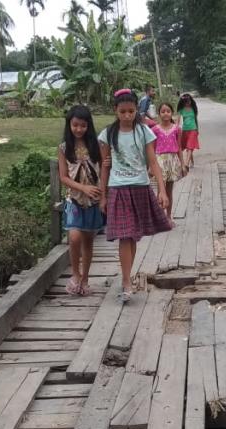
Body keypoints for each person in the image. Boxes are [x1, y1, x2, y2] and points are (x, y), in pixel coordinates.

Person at [99, 89, 171, 302]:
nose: (127, 115)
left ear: (136, 110)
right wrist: (103, 195)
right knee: (125, 234)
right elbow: (104, 166)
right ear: (115, 110)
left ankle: (127, 275)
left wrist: (162, 190)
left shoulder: (143, 131)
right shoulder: (108, 134)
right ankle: (126, 281)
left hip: (140, 186)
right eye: (122, 112)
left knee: (132, 235)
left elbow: (153, 161)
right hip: (118, 188)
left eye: (131, 111)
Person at [57, 105, 105, 296]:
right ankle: (75, 274)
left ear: (88, 126)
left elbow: (104, 168)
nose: (79, 129)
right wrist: (83, 187)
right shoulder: (64, 148)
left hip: (93, 200)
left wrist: (104, 193)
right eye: (75, 125)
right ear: (69, 125)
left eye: (83, 125)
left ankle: (85, 278)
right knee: (74, 237)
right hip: (74, 199)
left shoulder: (97, 146)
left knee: (88, 240)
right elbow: (63, 177)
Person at [151, 102, 186, 224]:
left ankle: (168, 217)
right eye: (163, 111)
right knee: (160, 191)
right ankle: (159, 217)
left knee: (169, 190)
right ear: (159, 114)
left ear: (172, 113)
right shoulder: (155, 130)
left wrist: (183, 164)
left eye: (168, 111)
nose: (165, 114)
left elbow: (179, 147)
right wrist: (150, 166)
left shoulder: (177, 129)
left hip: (173, 161)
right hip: (160, 161)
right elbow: (151, 149)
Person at [177, 93, 199, 170]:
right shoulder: (181, 110)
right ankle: (192, 161)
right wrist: (176, 129)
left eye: (189, 101)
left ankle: (186, 164)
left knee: (190, 146)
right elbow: (178, 121)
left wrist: (197, 129)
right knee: (188, 147)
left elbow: (196, 120)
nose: (188, 103)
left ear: (191, 101)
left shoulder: (193, 109)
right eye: (186, 101)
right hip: (185, 130)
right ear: (183, 102)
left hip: (193, 129)